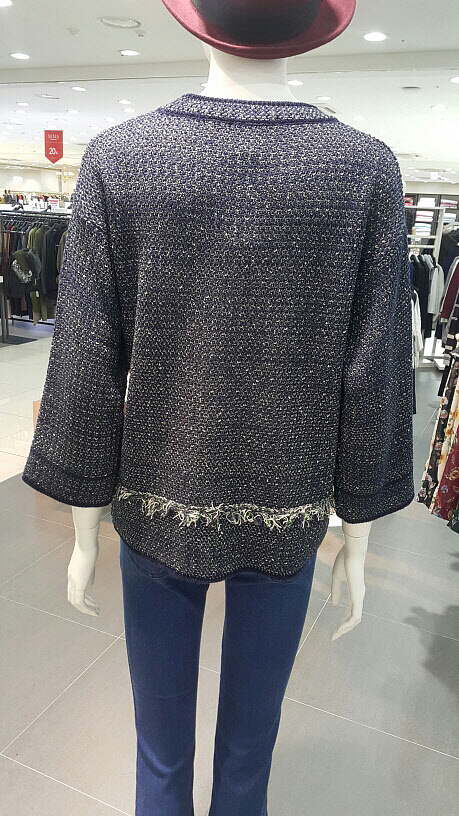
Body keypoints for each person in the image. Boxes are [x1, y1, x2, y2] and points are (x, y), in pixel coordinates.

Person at [22, 2, 414, 814]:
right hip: (289, 506)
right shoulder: (364, 169)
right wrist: (358, 526)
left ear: (197, 19)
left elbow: (87, 353)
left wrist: (86, 524)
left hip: (155, 498)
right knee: (248, 756)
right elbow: (372, 365)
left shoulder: (120, 158)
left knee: (158, 758)